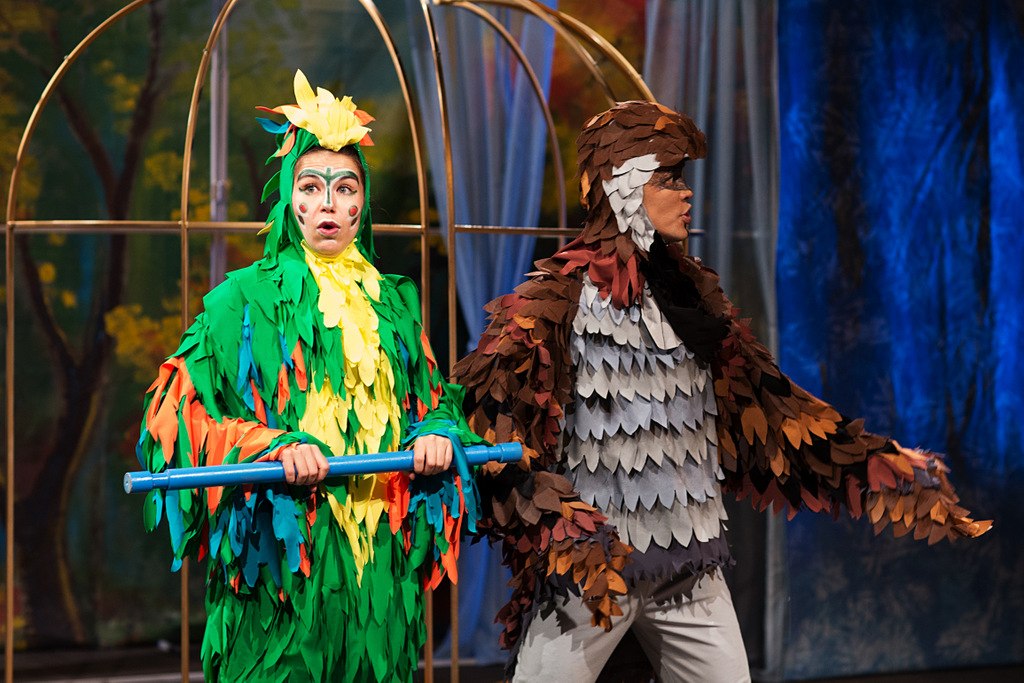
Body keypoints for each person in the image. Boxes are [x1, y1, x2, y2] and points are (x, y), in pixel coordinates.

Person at [451, 100, 991, 682]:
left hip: (688, 560)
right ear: (621, 185)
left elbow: (772, 408)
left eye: (682, 179)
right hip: (590, 574)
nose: (686, 194)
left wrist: (873, 462)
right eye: (668, 178)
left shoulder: (693, 296)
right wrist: (559, 524)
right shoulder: (554, 301)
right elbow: (483, 421)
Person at [136, 70, 483, 682]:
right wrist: (270, 446)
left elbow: (432, 401)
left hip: (378, 572)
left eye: (344, 187)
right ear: (290, 200)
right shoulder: (241, 299)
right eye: (311, 186)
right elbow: (172, 418)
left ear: (361, 204)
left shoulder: (394, 304)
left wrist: (437, 432)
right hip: (282, 570)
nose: (328, 203)